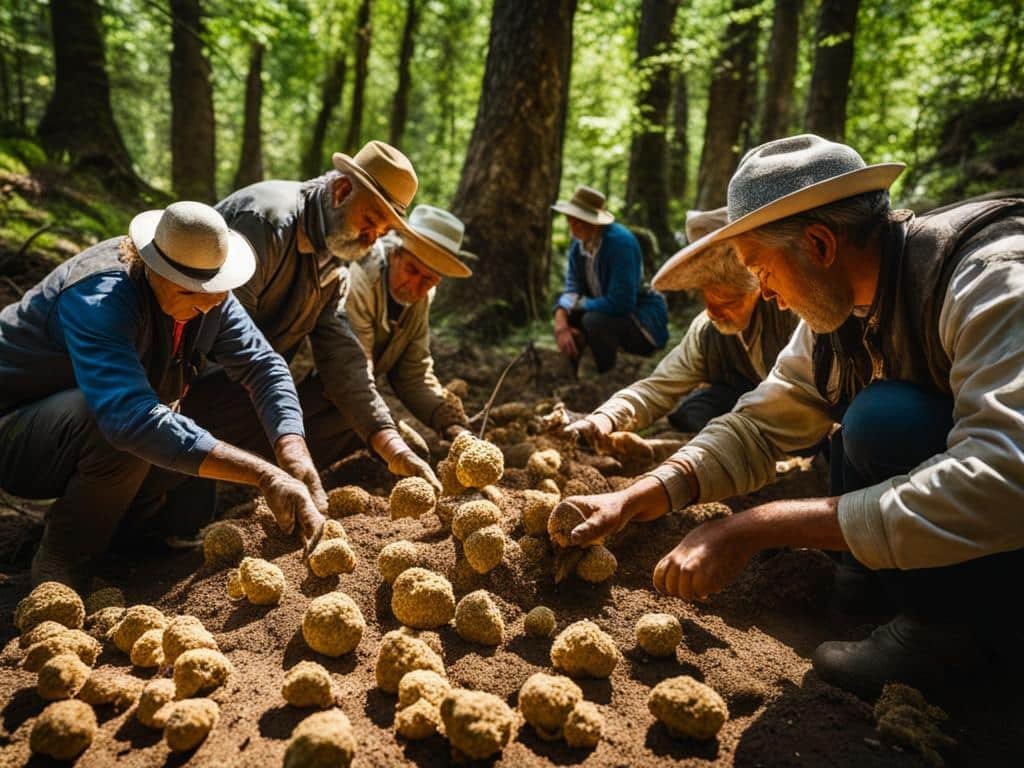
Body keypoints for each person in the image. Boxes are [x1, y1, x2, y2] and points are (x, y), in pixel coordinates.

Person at [560, 133, 1024, 698]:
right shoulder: (838, 312)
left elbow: (1007, 475)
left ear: (821, 243)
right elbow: (761, 422)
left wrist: (757, 525)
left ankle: (953, 632)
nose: (768, 294)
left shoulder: (992, 279)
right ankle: (885, 594)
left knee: (883, 418)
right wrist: (636, 496)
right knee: (869, 419)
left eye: (763, 269)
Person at [0, 202, 325, 587]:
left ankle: (133, 534)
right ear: (151, 265)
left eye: (215, 291)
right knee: (112, 424)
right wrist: (264, 474)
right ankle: (63, 559)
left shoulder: (209, 291)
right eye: (190, 292)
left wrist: (292, 451)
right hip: (18, 434)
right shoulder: (99, 297)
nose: (207, 304)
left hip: (90, 426)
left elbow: (264, 366)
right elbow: (129, 417)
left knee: (208, 404)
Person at [201, 140, 441, 492]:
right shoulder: (266, 222)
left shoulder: (333, 254)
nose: (371, 240)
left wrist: (389, 441)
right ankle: (221, 482)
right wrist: (289, 442)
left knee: (348, 408)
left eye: (382, 234)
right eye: (370, 221)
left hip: (251, 387)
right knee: (178, 515)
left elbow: (342, 355)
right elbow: (225, 335)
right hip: (194, 383)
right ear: (342, 190)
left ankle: (239, 482)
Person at [565, 207, 797, 446]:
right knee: (693, 413)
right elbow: (657, 388)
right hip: (740, 398)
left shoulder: (791, 314)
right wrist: (605, 419)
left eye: (728, 301)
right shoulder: (706, 329)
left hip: (795, 411)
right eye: (703, 295)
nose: (713, 311)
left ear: (759, 289)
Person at [341, 205, 473, 442]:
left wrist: (449, 422)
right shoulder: (361, 278)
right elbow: (355, 370)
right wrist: (388, 433)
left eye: (429, 280)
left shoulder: (420, 299)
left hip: (358, 392)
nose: (415, 286)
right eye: (411, 270)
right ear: (396, 254)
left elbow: (412, 372)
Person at [552, 185, 669, 374]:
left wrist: (579, 305)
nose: (573, 225)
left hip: (640, 324)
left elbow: (621, 303)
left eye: (579, 221)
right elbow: (572, 288)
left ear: (594, 222)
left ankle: (605, 375)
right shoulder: (578, 244)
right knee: (567, 316)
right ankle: (573, 374)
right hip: (605, 311)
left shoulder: (620, 244)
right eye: (570, 219)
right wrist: (561, 319)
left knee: (593, 320)